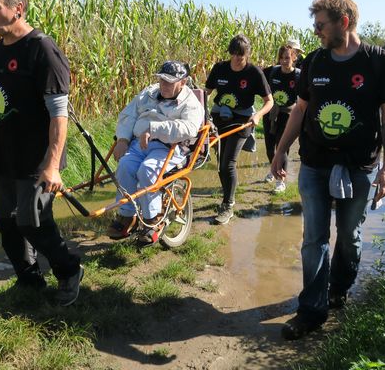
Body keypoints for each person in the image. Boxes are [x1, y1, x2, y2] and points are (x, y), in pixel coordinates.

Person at [270, 0, 385, 340]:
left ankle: (339, 286)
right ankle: (311, 310)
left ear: (343, 22)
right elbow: (299, 110)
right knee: (313, 238)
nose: (316, 32)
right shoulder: (314, 62)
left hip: (359, 167)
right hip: (315, 162)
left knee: (348, 235)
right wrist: (281, 150)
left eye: (320, 25)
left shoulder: (380, 63)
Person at [0, 0, 83, 306]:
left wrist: (52, 164)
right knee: (6, 223)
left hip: (37, 158)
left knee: (32, 221)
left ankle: (68, 271)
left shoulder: (42, 50)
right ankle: (29, 279)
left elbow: (58, 115)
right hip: (4, 155)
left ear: (17, 9)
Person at [107, 61, 205, 244]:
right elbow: (129, 115)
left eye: (170, 82)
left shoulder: (190, 102)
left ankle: (153, 219)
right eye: (161, 80)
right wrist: (122, 139)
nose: (164, 85)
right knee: (125, 166)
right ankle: (127, 216)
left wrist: (154, 129)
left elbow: (189, 128)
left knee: (148, 170)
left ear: (183, 82)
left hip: (170, 147)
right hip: (139, 143)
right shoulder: (148, 93)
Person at [205, 34, 273, 224]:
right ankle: (227, 194)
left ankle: (228, 205)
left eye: (241, 56)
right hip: (219, 120)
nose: (236, 60)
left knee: (228, 162)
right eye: (233, 55)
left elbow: (269, 101)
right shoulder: (219, 69)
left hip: (242, 121)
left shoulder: (254, 73)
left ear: (247, 55)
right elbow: (206, 93)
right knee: (220, 162)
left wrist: (257, 115)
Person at [263, 44, 301, 192]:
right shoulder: (272, 72)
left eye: (287, 57)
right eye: (282, 58)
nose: (284, 61)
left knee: (282, 147)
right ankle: (273, 169)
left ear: (293, 57)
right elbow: (256, 77)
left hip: (288, 114)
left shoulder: (298, 75)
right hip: (271, 113)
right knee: (269, 148)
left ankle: (281, 180)